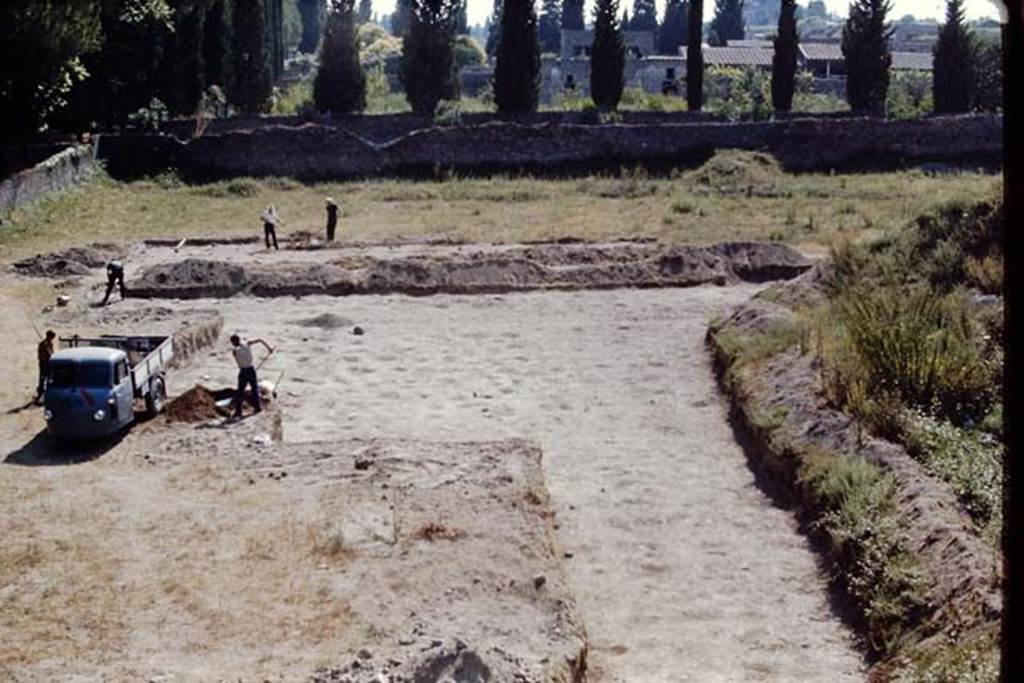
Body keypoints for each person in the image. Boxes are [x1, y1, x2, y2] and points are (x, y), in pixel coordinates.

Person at [230, 334, 274, 419]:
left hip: (243, 371)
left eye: (232, 342)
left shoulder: (235, 351)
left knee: (240, 391)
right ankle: (257, 407)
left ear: (234, 342)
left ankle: (238, 411)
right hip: (251, 369)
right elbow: (260, 339)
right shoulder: (247, 343)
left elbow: (237, 358)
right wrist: (269, 349)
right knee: (254, 389)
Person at [36, 330, 56, 403]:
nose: (52, 338)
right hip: (44, 363)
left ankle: (46, 391)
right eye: (52, 337)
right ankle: (41, 392)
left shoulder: (50, 343)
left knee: (49, 377)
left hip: (48, 362)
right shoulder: (43, 344)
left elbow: (51, 352)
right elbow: (42, 355)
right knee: (43, 377)